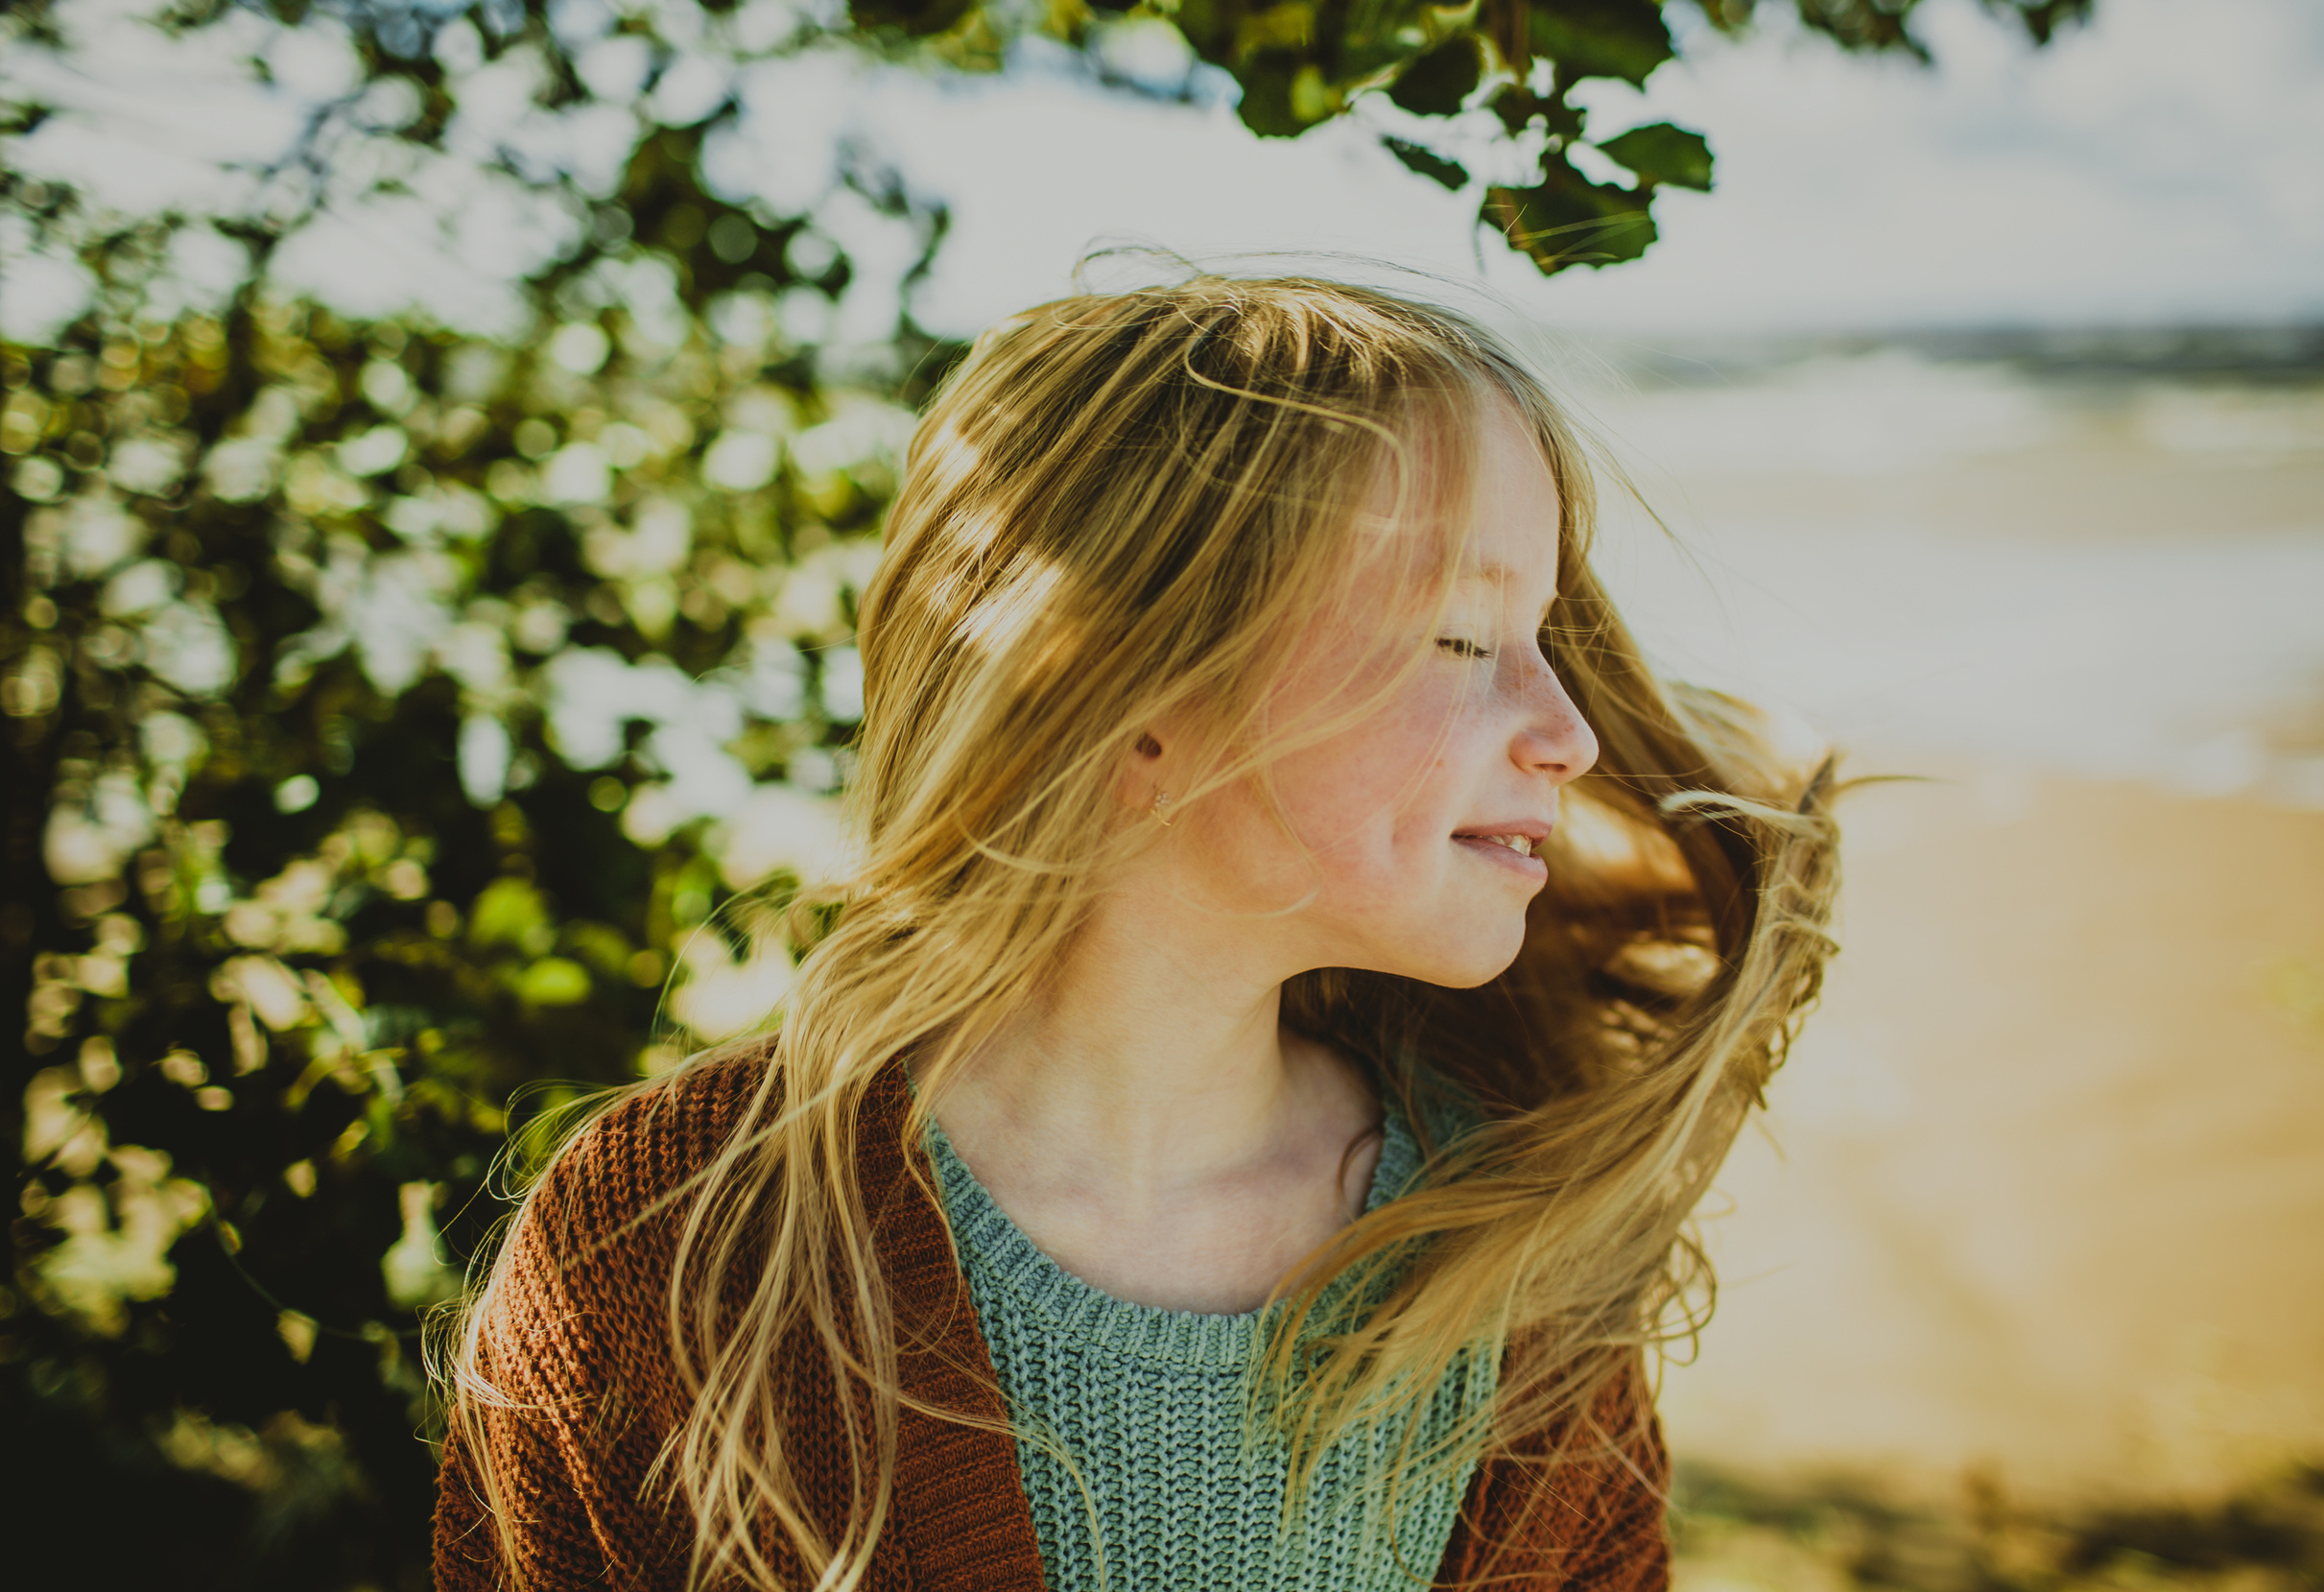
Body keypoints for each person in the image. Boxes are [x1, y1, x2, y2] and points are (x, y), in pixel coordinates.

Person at [433, 274, 1838, 1591]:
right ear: (1134, 695)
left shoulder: (1517, 1279)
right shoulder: (678, 1246)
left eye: (1544, 637)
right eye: (1466, 640)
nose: (1569, 733)